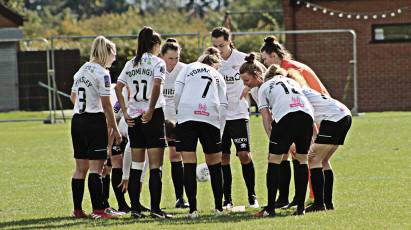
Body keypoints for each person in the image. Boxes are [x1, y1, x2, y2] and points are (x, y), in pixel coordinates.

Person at [266, 65, 351, 212]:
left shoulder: (296, 93)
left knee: (313, 159)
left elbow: (306, 115)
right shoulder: (302, 90)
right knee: (322, 160)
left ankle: (319, 204)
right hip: (343, 115)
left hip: (334, 119)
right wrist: (314, 137)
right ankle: (327, 203)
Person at [240, 54, 314, 217]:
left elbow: (266, 117)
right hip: (307, 116)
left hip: (287, 118)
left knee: (273, 159)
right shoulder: (292, 81)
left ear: (260, 76)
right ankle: (300, 208)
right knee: (302, 160)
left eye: (246, 81)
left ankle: (270, 209)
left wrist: (272, 138)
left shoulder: (264, 88)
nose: (246, 85)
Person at [260, 36, 330, 208]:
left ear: (274, 56)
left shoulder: (288, 69)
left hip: (316, 112)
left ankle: (315, 198)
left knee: (312, 158)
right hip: (309, 113)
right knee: (304, 158)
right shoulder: (290, 67)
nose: (264, 63)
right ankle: (303, 201)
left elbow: (302, 94)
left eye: (265, 59)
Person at [115, 26, 170, 219]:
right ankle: (156, 210)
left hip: (134, 117)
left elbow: (118, 87)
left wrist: (124, 112)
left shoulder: (131, 63)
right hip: (152, 117)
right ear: (155, 45)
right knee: (156, 166)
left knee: (137, 166)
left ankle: (136, 209)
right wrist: (151, 109)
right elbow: (156, 84)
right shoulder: (157, 62)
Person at [70, 35, 121, 219]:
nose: (114, 59)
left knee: (79, 168)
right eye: (113, 54)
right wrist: (115, 129)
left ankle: (77, 210)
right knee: (96, 168)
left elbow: (72, 97)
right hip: (94, 121)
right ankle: (98, 210)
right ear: (106, 53)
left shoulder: (81, 69)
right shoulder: (102, 73)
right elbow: (107, 105)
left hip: (77, 120)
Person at [174, 47, 227, 218]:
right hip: (209, 115)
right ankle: (219, 208)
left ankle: (193, 210)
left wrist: (179, 112)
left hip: (187, 114)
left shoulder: (188, 68)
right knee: (215, 164)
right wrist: (220, 127)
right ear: (214, 64)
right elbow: (223, 104)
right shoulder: (217, 75)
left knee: (189, 162)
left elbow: (177, 92)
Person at [211, 27, 258, 208]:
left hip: (238, 114)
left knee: (244, 155)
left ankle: (252, 196)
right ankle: (227, 199)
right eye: (215, 46)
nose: (219, 50)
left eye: (221, 45)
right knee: (223, 157)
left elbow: (260, 76)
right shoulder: (212, 61)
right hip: (219, 117)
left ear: (229, 41)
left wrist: (250, 88)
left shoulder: (243, 59)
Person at [160, 38, 189, 208]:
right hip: (159, 120)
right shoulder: (157, 69)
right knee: (153, 158)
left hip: (178, 121)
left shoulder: (185, 70)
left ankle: (181, 197)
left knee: (175, 155)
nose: (174, 61)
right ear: (162, 56)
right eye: (171, 58)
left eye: (177, 58)